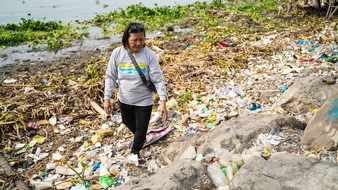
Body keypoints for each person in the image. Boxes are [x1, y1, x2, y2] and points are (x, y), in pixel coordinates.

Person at [103, 22, 168, 165]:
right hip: (125, 97)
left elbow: (158, 78)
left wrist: (163, 102)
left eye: (141, 39)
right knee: (127, 121)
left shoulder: (149, 55)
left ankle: (135, 152)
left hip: (144, 99)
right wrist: (106, 98)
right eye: (134, 40)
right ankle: (142, 136)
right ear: (126, 39)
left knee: (141, 128)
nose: (138, 43)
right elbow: (110, 76)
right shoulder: (117, 53)